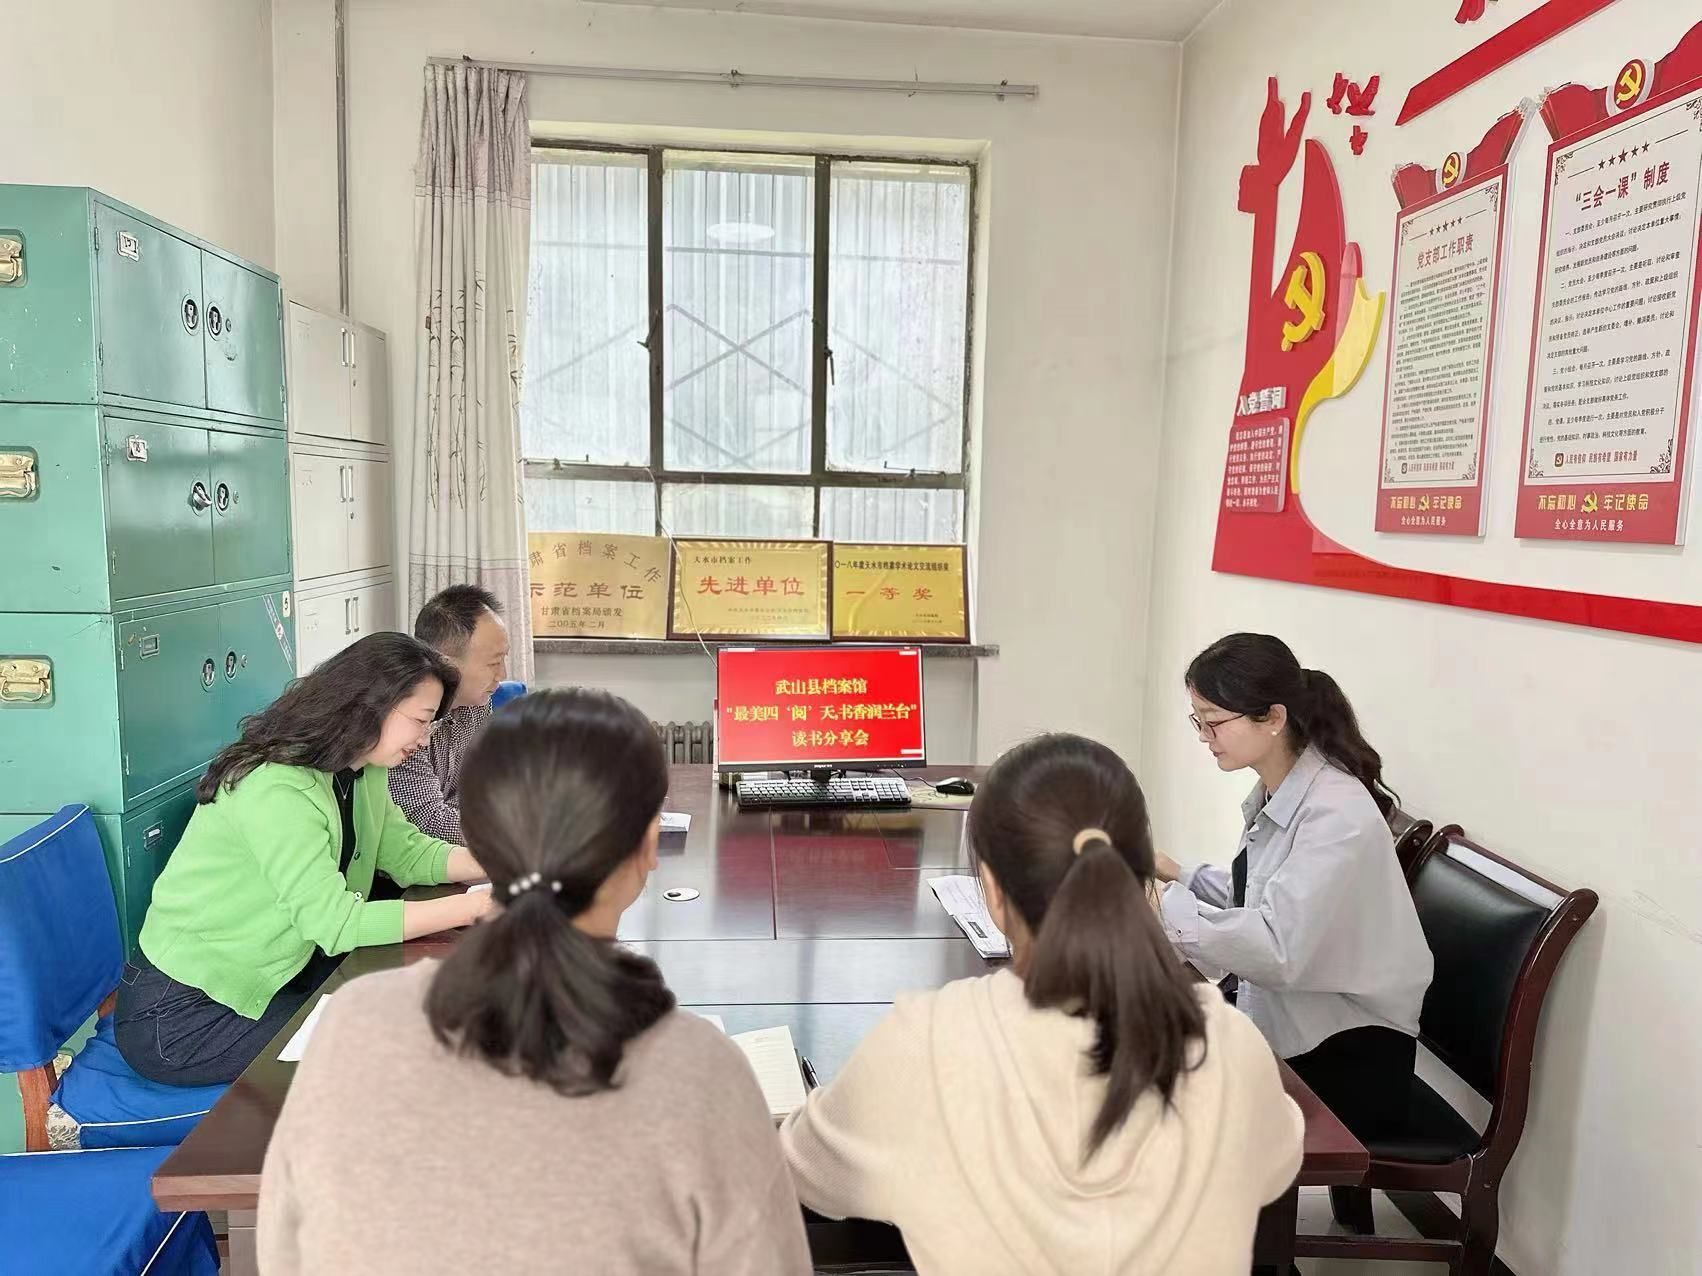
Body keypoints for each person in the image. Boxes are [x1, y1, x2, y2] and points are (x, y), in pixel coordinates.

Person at [257, 689, 812, 1276]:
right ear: (648, 845)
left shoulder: (351, 1024)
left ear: (480, 839)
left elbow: (284, 1253)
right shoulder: (701, 1070)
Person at [779, 733, 1304, 1276]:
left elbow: (802, 1171)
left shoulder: (925, 1042)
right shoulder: (1227, 1041)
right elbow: (1277, 1158)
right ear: (1140, 875)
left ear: (991, 889)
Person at [114, 633, 493, 1088]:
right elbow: (334, 924)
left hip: (282, 977)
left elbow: (406, 852)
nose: (425, 738)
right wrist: (474, 907)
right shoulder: (276, 787)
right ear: (369, 705)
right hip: (185, 1015)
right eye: (421, 720)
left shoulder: (362, 767)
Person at [1155, 632, 1433, 1142]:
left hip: (1349, 1056)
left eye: (1213, 721)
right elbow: (1260, 895)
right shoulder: (1283, 787)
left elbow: (1276, 948)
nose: (1204, 736)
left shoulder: (1336, 814)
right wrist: (1172, 870)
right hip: (1297, 1022)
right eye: (1198, 721)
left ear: (1273, 718)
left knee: (1158, 1086)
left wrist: (1165, 915)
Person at [389, 584, 510, 844]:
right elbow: (428, 823)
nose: (503, 675)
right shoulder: (404, 723)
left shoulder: (477, 703)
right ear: (445, 664)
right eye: (493, 663)